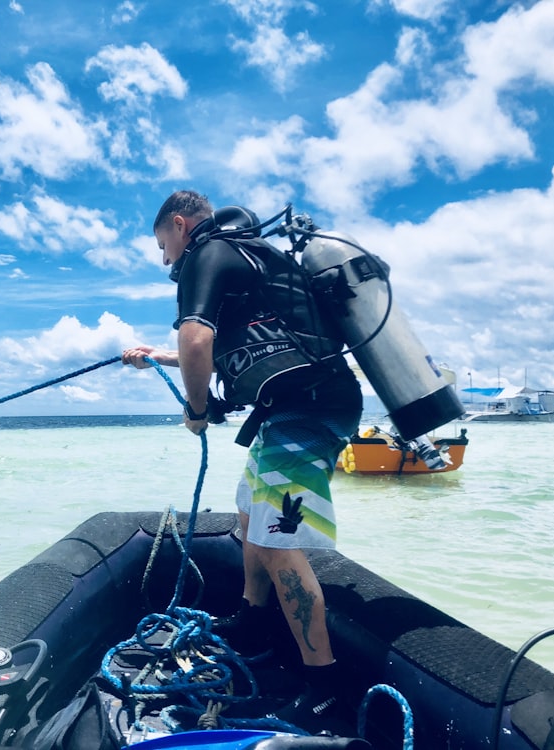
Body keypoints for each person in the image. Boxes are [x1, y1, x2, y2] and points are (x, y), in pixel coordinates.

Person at [122, 190, 363, 732]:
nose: (166, 259)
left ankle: (325, 690)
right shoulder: (243, 255)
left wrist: (197, 409)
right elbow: (233, 342)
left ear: (180, 226)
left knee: (281, 545)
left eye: (164, 245)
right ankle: (254, 623)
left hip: (309, 413)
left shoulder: (207, 254)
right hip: (291, 411)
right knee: (250, 518)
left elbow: (197, 336)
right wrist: (156, 356)